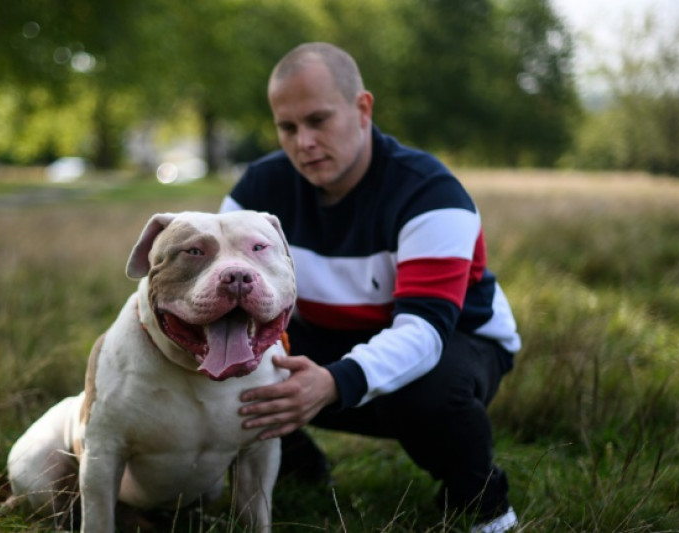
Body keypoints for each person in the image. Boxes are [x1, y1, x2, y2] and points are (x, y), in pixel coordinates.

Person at [219, 42, 522, 533]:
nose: (303, 143)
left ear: (362, 109)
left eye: (318, 120)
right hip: (326, 332)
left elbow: (423, 333)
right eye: (288, 128)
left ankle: (481, 505)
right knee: (226, 348)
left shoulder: (430, 192)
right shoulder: (260, 187)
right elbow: (217, 289)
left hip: (455, 341)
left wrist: (333, 382)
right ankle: (297, 470)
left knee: (428, 388)